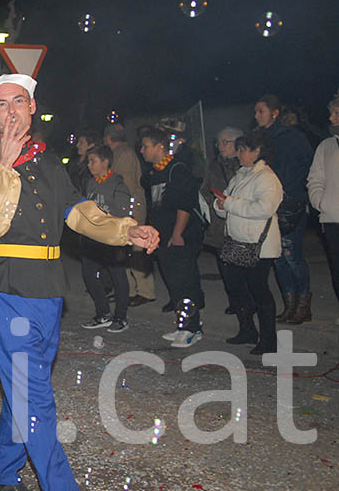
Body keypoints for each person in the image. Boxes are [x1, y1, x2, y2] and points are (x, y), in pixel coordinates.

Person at [0, 74, 159, 491]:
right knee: (36, 398)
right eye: (0, 105)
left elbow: (80, 214)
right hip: (6, 288)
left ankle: (4, 468)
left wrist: (126, 230)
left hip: (49, 291)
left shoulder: (49, 162)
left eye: (18, 102)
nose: (10, 110)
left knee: (24, 388)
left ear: (32, 107)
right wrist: (4, 167)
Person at [214, 131, 282, 354]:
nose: (239, 153)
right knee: (236, 288)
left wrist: (230, 204)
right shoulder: (241, 174)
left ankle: (268, 340)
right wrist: (221, 205)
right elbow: (223, 201)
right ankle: (247, 329)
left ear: (257, 151)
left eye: (243, 149)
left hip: (258, 246)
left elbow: (264, 209)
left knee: (259, 291)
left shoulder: (266, 177)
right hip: (237, 241)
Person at [139, 127, 206, 347]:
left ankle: (192, 328)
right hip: (164, 235)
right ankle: (182, 325)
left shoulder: (177, 170)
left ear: (160, 146)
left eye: (146, 146)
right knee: (174, 283)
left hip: (180, 236)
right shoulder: (156, 173)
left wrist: (177, 233)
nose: (142, 151)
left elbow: (184, 205)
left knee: (185, 282)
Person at [254, 94, 314, 323]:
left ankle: (303, 305)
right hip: (270, 202)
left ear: (275, 113)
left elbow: (307, 166)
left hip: (291, 202)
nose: (257, 116)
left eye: (261, 111)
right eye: (256, 112)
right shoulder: (261, 139)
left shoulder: (293, 137)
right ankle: (290, 305)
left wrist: (294, 192)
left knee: (291, 254)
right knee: (277, 256)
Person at [79, 145, 133, 333]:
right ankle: (103, 313)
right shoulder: (91, 183)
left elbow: (123, 215)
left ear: (105, 162)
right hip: (92, 239)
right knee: (89, 275)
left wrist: (121, 240)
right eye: (88, 161)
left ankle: (121, 316)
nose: (89, 165)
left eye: (93, 161)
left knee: (118, 277)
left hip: (111, 239)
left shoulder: (118, 186)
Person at [104, 123, 155, 307]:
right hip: (123, 205)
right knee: (123, 248)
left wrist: (124, 208)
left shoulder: (124, 154)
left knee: (136, 249)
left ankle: (145, 290)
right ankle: (129, 289)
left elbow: (127, 184)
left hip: (131, 204)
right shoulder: (116, 154)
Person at [201, 127, 243, 314]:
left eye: (225, 142)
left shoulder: (245, 165)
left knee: (244, 267)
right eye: (218, 142)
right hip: (220, 224)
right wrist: (213, 205)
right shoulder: (213, 166)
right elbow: (204, 191)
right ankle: (235, 300)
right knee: (226, 267)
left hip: (242, 224)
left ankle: (246, 302)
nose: (220, 146)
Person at [307, 92, 339, 325]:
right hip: (332, 219)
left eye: (336, 113)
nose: (331, 117)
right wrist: (321, 202)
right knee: (337, 272)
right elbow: (315, 178)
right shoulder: (326, 146)